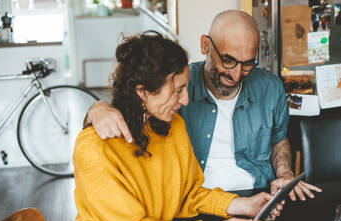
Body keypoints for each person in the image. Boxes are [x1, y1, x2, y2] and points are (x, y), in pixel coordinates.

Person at [72, 31, 283, 221]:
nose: (185, 100)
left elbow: (189, 194)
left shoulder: (172, 127)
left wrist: (242, 205)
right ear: (143, 92)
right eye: (177, 90)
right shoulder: (95, 148)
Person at [84, 10, 321, 200]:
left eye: (248, 63)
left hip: (256, 196)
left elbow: (279, 138)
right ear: (205, 45)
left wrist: (284, 173)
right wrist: (96, 109)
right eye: (228, 60)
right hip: (193, 200)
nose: (237, 75)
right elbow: (133, 107)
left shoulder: (270, 87)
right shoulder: (178, 85)